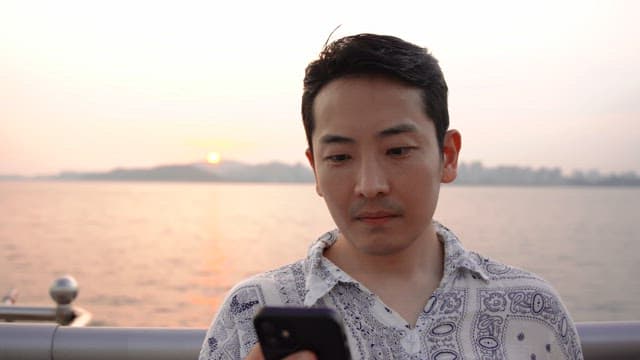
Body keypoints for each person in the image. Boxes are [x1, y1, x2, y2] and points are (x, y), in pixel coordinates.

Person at [199, 33, 583, 360]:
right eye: (340, 157)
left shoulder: (532, 309)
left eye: (397, 150)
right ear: (315, 168)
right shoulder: (253, 309)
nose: (369, 184)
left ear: (447, 156)